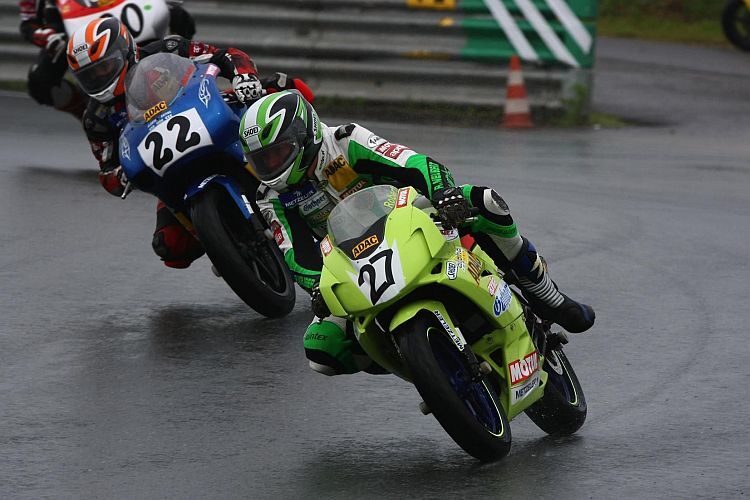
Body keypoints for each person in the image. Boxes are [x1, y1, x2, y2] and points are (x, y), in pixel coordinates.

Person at [239, 90, 595, 376]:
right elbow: (294, 256)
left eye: (278, 155)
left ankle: (545, 292)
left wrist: (443, 192)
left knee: (485, 202)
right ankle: (424, 363)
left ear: (305, 135)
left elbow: (415, 163)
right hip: (353, 260)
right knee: (322, 351)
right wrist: (316, 285)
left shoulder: (346, 141)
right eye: (262, 161)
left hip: (412, 217)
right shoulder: (269, 197)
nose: (271, 167)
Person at [66, 17, 314, 269]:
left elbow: (224, 56)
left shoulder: (167, 49)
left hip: (207, 116)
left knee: (287, 87)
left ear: (125, 51)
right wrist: (118, 176)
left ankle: (315, 159)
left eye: (104, 68)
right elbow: (107, 166)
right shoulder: (96, 119)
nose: (99, 77)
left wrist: (243, 76)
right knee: (170, 247)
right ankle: (227, 244)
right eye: (90, 76)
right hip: (170, 166)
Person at [18, 0, 196, 119]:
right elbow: (28, 23)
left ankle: (189, 84)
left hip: (133, 20)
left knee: (180, 16)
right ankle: (88, 113)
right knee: (40, 81)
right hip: (76, 34)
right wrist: (43, 35)